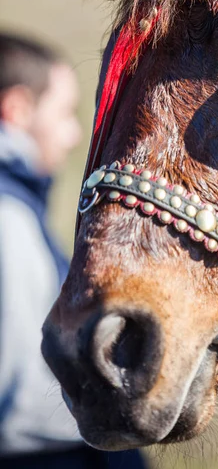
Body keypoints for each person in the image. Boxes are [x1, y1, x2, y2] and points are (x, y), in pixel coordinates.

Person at [0, 33, 148, 468]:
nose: (73, 135)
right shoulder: (7, 216)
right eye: (64, 113)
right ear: (18, 109)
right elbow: (23, 383)